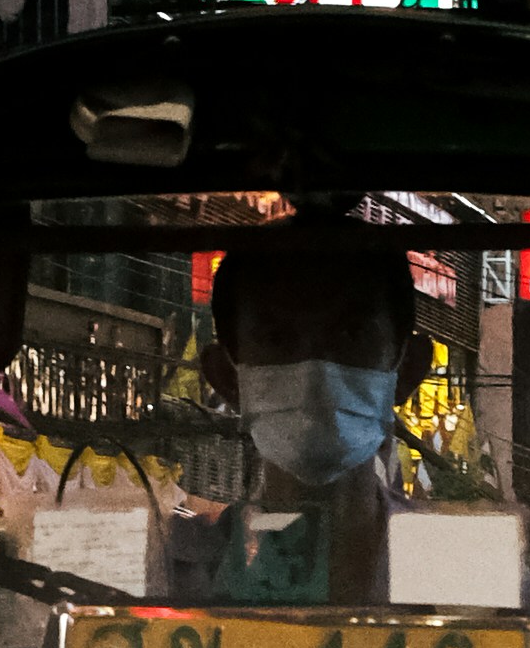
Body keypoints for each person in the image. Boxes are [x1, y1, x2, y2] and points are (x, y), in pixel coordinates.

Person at [167, 226, 433, 607]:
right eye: (277, 339)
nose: (315, 376)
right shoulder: (165, 581)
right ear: (228, 380)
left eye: (352, 335)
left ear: (407, 369)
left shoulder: (471, 578)